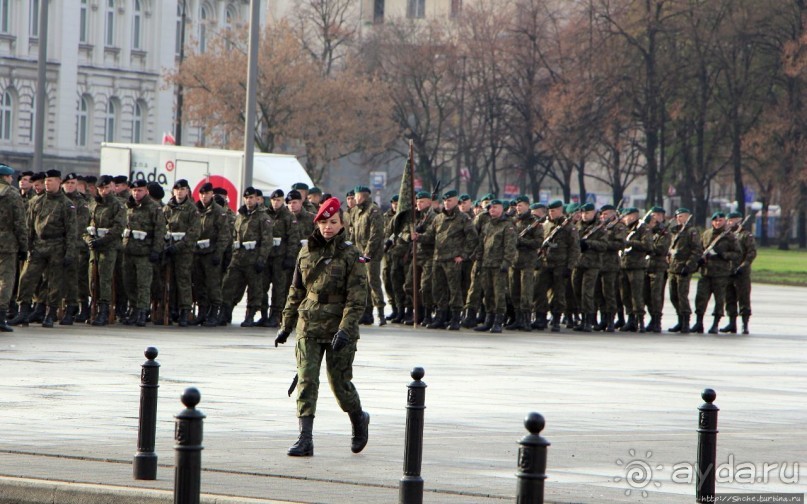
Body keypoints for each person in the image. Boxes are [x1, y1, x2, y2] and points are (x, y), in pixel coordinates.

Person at [274, 197, 370, 457]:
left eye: (334, 222)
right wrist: (286, 325)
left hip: (339, 327)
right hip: (310, 324)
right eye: (324, 222)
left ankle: (359, 418)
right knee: (306, 379)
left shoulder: (352, 254)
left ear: (342, 224)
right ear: (317, 223)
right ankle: (305, 438)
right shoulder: (306, 252)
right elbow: (296, 291)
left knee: (339, 384)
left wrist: (346, 329)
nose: (328, 227)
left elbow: (357, 299)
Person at [11, 170, 76, 328]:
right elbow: (29, 227)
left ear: (59, 182)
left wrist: (69, 253)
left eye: (51, 181)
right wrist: (26, 247)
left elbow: (72, 231)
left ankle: (50, 313)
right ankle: (23, 312)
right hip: (38, 246)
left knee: (54, 282)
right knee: (26, 278)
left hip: (57, 246)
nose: (47, 183)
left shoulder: (67, 204)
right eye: (46, 181)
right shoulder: (36, 201)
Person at [417, 189, 478, 330]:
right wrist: (418, 237)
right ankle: (440, 316)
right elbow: (430, 236)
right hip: (438, 259)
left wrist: (463, 255)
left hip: (453, 260)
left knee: (454, 290)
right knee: (438, 289)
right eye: (445, 200)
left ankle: (455, 318)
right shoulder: (438, 218)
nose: (446, 203)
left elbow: (472, 238)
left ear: (456, 201)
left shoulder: (463, 218)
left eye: (449, 200)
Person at [220, 187, 273, 327]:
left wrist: (261, 259)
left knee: (255, 289)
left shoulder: (263, 217)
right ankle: (225, 312)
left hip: (254, 258)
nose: (249, 200)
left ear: (257, 199)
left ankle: (250, 315)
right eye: (247, 198)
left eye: (251, 198)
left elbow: (267, 241)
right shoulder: (240, 216)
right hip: (238, 257)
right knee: (228, 284)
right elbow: (233, 236)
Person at [122, 180, 167, 327]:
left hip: (144, 252)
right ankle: (134, 309)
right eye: (134, 190)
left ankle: (142, 311)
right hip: (128, 251)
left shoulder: (153, 208)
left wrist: (156, 250)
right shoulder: (128, 207)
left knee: (143, 284)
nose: (136, 193)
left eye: (139, 190)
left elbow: (160, 231)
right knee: (129, 283)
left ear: (146, 191)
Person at [85, 175, 126, 326]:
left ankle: (104, 310)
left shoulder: (118, 205)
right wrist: (88, 239)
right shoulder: (93, 204)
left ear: (112, 187)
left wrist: (102, 240)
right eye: (101, 188)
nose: (104, 191)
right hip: (94, 247)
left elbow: (118, 227)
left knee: (105, 279)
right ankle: (93, 306)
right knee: (92, 279)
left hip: (109, 247)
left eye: (107, 187)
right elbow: (85, 226)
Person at [470, 199, 516, 333]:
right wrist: (478, 260)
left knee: (499, 294)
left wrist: (506, 262)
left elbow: (510, 247)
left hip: (498, 265)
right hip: (486, 264)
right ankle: (488, 320)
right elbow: (481, 244)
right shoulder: (487, 225)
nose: (492, 210)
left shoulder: (508, 226)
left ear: (502, 209)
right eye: (490, 208)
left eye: (495, 207)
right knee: (488, 293)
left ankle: (498, 321)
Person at [692, 212, 740, 334]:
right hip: (706, 272)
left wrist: (723, 254)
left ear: (724, 221)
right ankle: (699, 322)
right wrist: (700, 258)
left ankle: (715, 324)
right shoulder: (707, 234)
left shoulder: (730, 236)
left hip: (721, 273)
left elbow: (737, 254)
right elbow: (700, 249)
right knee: (701, 298)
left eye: (720, 220)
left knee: (719, 300)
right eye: (715, 221)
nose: (718, 223)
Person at [191, 182, 228, 327]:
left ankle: (214, 313)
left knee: (213, 285)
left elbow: (224, 235)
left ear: (211, 194)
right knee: (199, 284)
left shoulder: (218, 211)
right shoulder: (195, 210)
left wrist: (218, 253)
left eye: (206, 194)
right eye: (201, 194)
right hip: (197, 252)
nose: (204, 196)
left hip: (211, 253)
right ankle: (202, 312)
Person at [350, 185, 385, 326]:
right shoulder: (356, 212)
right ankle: (367, 313)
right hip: (359, 253)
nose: (354, 199)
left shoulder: (373, 210)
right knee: (363, 283)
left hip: (371, 254)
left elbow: (376, 234)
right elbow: (353, 233)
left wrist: (367, 253)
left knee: (373, 282)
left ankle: (381, 313)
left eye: (356, 196)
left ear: (363, 196)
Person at [0, 164, 27, 331]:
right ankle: (1, 316)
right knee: (5, 280)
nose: (11, 180)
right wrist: (24, 246)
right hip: (7, 244)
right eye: (10, 177)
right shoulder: (11, 194)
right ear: (5, 177)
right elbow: (19, 223)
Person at [666, 208, 702, 334]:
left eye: (682, 216)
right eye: (678, 216)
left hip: (683, 268)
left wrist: (688, 265)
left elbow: (697, 250)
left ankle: (686, 322)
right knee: (673, 296)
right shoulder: (674, 231)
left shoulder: (691, 231)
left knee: (682, 296)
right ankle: (680, 320)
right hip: (673, 268)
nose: (680, 219)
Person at [722, 211, 756, 334]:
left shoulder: (746, 235)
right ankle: (732, 323)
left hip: (741, 273)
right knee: (729, 298)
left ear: (739, 221)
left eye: (733, 220)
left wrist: (743, 266)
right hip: (728, 271)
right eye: (729, 221)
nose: (730, 223)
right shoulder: (726, 235)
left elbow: (751, 253)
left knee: (744, 298)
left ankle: (745, 324)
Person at [643, 207, 671, 333]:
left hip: (658, 267)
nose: (656, 217)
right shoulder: (647, 230)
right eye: (653, 215)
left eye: (659, 215)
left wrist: (646, 246)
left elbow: (661, 248)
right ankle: (651, 319)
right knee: (647, 296)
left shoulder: (664, 232)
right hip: (646, 266)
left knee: (656, 296)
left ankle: (656, 320)